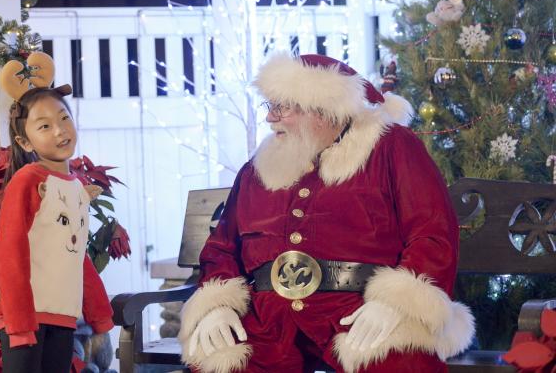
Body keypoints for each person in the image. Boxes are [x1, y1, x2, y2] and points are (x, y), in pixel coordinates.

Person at [178, 53, 475, 373]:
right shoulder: (258, 168)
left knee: (400, 364)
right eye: (270, 106)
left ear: (322, 110)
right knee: (220, 362)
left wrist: (397, 305)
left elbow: (431, 232)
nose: (270, 118)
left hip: (359, 310)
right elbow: (223, 247)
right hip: (267, 320)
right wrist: (217, 306)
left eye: (282, 107)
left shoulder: (391, 147)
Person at [0, 52, 113, 373]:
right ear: (24, 141)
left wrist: (99, 314)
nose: (60, 131)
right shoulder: (27, 181)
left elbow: (76, 256)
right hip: (26, 320)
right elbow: (10, 254)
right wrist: (18, 323)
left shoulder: (75, 187)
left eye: (64, 118)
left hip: (62, 315)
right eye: (44, 126)